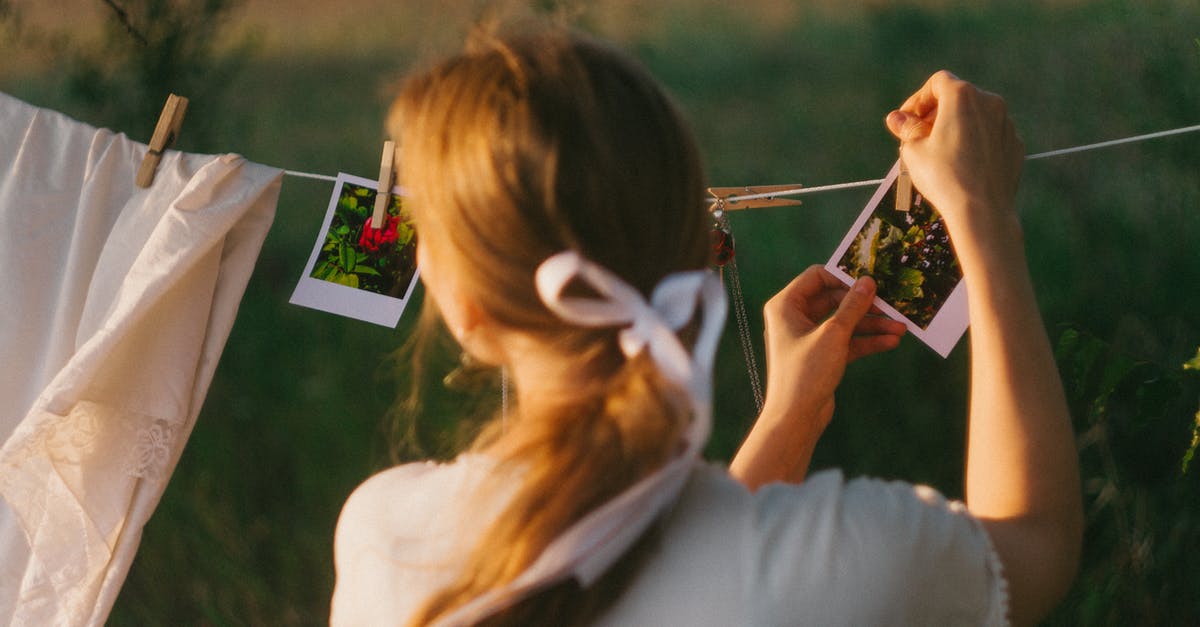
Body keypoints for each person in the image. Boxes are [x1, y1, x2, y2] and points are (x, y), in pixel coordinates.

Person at [331, 25, 1081, 627]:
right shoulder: (845, 560)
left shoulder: (387, 544)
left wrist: (790, 416)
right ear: (698, 248)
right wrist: (981, 215)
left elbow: (653, 562)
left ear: (468, 310)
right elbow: (1035, 545)